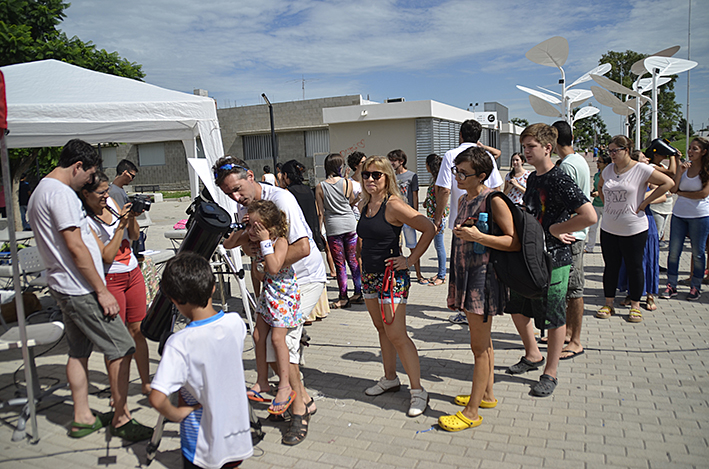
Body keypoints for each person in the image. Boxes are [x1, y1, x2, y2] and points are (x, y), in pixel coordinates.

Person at [27, 139, 152, 441]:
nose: (90, 180)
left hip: (65, 286)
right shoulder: (61, 194)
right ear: (78, 166)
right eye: (90, 174)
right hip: (80, 288)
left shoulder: (40, 191)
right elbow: (76, 246)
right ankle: (122, 418)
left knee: (79, 352)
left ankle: (82, 417)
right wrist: (101, 290)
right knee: (122, 347)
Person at [214, 156, 325, 444]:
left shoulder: (282, 199)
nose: (236, 198)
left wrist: (267, 264)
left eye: (238, 189)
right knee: (265, 340)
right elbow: (240, 244)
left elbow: (302, 247)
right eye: (229, 194)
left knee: (283, 344)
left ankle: (298, 408)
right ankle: (300, 397)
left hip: (302, 278)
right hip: (274, 284)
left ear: (251, 176)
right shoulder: (244, 208)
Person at [504, 124, 596, 398]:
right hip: (530, 255)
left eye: (531, 147)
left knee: (554, 316)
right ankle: (533, 354)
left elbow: (589, 215)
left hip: (555, 259)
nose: (525, 152)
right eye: (524, 147)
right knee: (517, 308)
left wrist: (557, 229)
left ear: (548, 147)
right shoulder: (533, 178)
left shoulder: (560, 178)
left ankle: (551, 372)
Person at [437, 146, 519, 432]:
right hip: (466, 274)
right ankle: (486, 394)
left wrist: (478, 236)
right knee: (485, 343)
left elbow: (513, 241)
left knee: (478, 347)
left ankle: (471, 412)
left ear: (481, 175)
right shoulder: (464, 200)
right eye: (455, 171)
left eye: (463, 173)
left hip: (482, 280)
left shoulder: (493, 200)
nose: (457, 176)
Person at [150, 252, 253, 469]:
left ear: (174, 299)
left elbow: (157, 398)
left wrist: (177, 414)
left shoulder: (179, 343)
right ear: (213, 287)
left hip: (201, 443)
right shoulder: (235, 323)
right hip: (236, 436)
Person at [357, 156, 435, 417]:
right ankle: (390, 378)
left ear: (387, 177)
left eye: (376, 175)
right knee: (382, 329)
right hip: (369, 276)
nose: (370, 179)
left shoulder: (394, 205)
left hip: (391, 277)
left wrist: (411, 260)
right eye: (366, 174)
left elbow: (429, 227)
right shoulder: (365, 204)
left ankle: (418, 391)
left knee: (397, 334)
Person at [80, 171, 151, 397]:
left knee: (138, 331)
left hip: (132, 273)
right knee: (117, 340)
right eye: (101, 192)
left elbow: (134, 235)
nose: (106, 196)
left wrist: (130, 218)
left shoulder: (111, 202)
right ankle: (118, 391)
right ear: (85, 194)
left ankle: (146, 383)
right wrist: (120, 224)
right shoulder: (85, 221)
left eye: (107, 191)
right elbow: (106, 257)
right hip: (110, 278)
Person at [596, 135, 673, 322]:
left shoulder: (641, 169)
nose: (612, 154)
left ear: (626, 150)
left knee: (635, 266)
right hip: (609, 227)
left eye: (615, 151)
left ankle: (635, 305)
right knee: (611, 267)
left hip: (634, 228)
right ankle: (609, 303)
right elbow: (600, 186)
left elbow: (668, 183)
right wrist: (607, 206)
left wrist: (645, 202)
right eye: (609, 151)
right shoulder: (608, 170)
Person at [433, 119, 503, 325]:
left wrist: (438, 217)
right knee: (472, 266)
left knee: (468, 266)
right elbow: (498, 185)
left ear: (460, 135)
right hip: (482, 219)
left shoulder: (451, 155)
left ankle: (472, 311)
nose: (458, 177)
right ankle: (473, 310)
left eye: (462, 173)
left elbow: (444, 189)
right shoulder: (486, 155)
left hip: (466, 221)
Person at [246, 200, 301, 416]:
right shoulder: (257, 243)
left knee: (278, 339)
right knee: (258, 335)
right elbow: (260, 273)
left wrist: (265, 242)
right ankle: (262, 380)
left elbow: (275, 267)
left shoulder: (280, 242)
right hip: (268, 295)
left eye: (256, 227)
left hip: (284, 297)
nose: (252, 232)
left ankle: (285, 386)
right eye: (250, 226)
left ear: (269, 228)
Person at [551, 120, 591, 360]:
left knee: (574, 288)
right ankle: (566, 332)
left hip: (571, 235)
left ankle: (575, 340)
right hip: (574, 233)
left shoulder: (566, 167)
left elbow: (567, 205)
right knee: (568, 288)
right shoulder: (578, 160)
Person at [660, 137, 709, 301]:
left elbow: (703, 194)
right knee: (673, 252)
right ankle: (671, 285)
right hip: (679, 215)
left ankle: (696, 286)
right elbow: (673, 189)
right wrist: (680, 172)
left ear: (704, 152)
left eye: (695, 149)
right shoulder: (685, 168)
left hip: (700, 216)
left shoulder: (707, 170)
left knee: (698, 253)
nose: (690, 151)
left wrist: (682, 193)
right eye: (690, 148)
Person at [281, 159, 329, 322]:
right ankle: (319, 310)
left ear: (286, 175)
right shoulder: (308, 190)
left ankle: (306, 314)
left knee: (301, 275)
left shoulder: (286, 193)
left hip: (297, 237)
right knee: (314, 273)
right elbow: (316, 213)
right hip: (311, 234)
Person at [617, 151, 664, 311]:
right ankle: (632, 292)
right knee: (631, 259)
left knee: (649, 258)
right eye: (644, 158)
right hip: (628, 222)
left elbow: (663, 195)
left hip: (646, 219)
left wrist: (642, 200)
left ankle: (650, 294)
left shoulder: (649, 175)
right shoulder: (627, 176)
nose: (648, 159)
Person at [315, 153, 363, 308]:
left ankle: (343, 296)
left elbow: (320, 212)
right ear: (340, 166)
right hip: (350, 224)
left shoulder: (320, 186)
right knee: (353, 261)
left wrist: (319, 230)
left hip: (333, 227)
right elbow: (347, 204)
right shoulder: (348, 183)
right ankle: (358, 292)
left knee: (340, 264)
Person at [388, 149, 427, 284]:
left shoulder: (412, 176)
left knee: (413, 246)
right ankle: (398, 272)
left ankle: (419, 274)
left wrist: (415, 214)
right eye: (390, 160)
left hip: (408, 216)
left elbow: (415, 195)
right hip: (394, 217)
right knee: (396, 247)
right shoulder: (390, 176)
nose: (391, 163)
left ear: (401, 161)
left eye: (393, 160)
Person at [422, 153, 448, 286]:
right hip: (434, 217)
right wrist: (427, 201)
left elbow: (440, 201)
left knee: (439, 246)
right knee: (438, 246)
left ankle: (442, 275)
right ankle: (440, 272)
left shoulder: (438, 180)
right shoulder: (435, 179)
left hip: (438, 219)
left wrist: (438, 221)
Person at [585, 153, 612, 253]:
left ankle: (608, 247)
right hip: (596, 204)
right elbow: (596, 187)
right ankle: (589, 247)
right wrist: (593, 192)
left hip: (606, 204)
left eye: (600, 162)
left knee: (606, 228)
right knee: (592, 227)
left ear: (606, 164)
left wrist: (600, 192)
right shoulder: (597, 175)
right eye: (597, 161)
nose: (597, 163)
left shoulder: (610, 176)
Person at [347, 151, 367, 221]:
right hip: (355, 216)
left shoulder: (369, 180)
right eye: (363, 162)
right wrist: (357, 199)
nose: (366, 164)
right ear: (355, 165)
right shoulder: (350, 182)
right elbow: (347, 204)